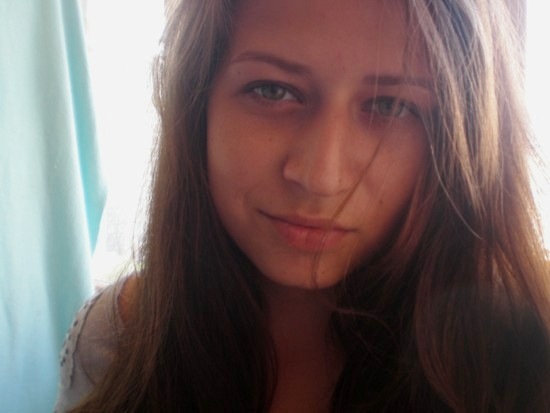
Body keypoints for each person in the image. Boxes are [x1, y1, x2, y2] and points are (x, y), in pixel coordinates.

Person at [55, 0, 550, 411]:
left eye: (391, 105)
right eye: (273, 91)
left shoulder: (526, 359)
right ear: (196, 105)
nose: (321, 179)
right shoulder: (115, 338)